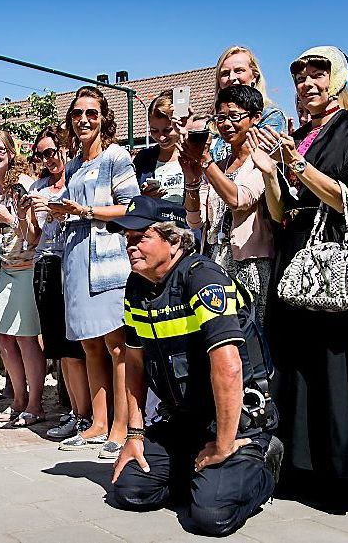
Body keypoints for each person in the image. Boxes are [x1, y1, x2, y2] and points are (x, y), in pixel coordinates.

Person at [248, 46, 348, 487]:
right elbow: (280, 213)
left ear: (338, 79)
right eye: (300, 78)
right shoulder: (305, 134)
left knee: (338, 365)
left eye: (317, 75)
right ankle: (304, 469)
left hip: (337, 256)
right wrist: (272, 174)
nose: (307, 84)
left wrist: (294, 162)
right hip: (297, 253)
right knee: (301, 364)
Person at [109, 196, 279, 536]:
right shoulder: (138, 285)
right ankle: (203, 472)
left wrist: (225, 443)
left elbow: (229, 367)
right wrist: (135, 435)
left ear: (173, 241)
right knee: (131, 490)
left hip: (234, 422)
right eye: (127, 239)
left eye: (140, 237)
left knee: (211, 517)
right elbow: (135, 364)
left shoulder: (202, 277)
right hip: (184, 420)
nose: (130, 246)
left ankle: (263, 466)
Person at [52, 86, 140, 460]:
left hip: (108, 261)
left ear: (104, 117)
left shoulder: (116, 157)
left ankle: (122, 427)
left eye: (91, 113)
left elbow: (131, 208)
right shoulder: (72, 165)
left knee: (116, 346)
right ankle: (98, 423)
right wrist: (61, 211)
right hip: (75, 260)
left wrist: (86, 211)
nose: (83, 120)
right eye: (77, 113)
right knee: (89, 344)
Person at [181, 85, 275, 325]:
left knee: (252, 333)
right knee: (221, 334)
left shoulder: (263, 159)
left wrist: (205, 160)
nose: (226, 124)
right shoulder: (218, 165)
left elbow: (239, 200)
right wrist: (192, 180)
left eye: (234, 116)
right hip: (215, 258)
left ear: (256, 118)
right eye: (220, 118)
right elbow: (195, 220)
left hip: (250, 263)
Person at [25, 126, 90, 440]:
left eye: (52, 151)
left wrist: (60, 213)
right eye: (42, 154)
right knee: (59, 347)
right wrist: (28, 216)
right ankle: (75, 412)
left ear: (66, 147)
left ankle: (86, 416)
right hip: (46, 264)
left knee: (79, 345)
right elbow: (33, 238)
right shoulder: (39, 186)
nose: (48, 159)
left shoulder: (78, 177)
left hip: (74, 261)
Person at [0, 130, 45, 427]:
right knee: (4, 338)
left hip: (29, 266)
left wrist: (10, 220)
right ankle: (19, 400)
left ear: (10, 152)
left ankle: (35, 403)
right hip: (6, 267)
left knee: (25, 338)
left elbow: (35, 236)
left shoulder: (23, 185)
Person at [209, 46, 288, 162]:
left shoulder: (271, 116)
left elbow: (259, 163)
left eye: (238, 70)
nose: (231, 78)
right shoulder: (213, 124)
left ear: (254, 76)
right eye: (225, 73)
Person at [134, 90, 186, 203]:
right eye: (154, 130)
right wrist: (144, 197)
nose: (161, 137)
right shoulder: (143, 158)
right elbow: (131, 200)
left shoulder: (193, 155)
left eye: (167, 130)